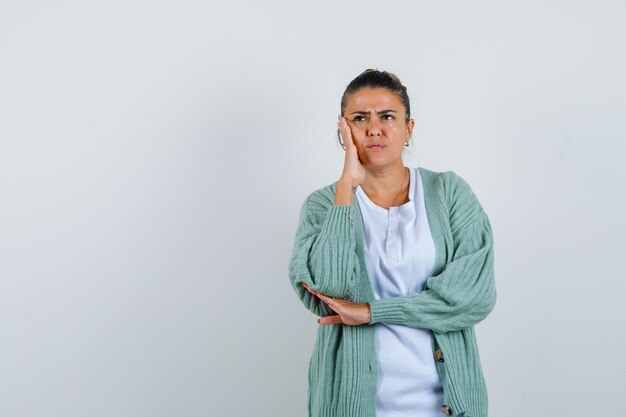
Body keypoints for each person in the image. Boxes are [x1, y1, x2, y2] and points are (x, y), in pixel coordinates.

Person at [288, 69, 496, 417]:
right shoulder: (323, 205)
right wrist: (345, 189)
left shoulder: (449, 193)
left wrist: (372, 312)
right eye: (359, 118)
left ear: (408, 128)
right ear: (344, 129)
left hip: (446, 403)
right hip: (350, 403)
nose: (374, 128)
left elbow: (472, 298)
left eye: (387, 116)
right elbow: (326, 293)